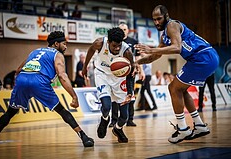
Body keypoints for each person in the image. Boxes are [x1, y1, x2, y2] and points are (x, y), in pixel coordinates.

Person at [0, 31, 94, 148]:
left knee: (10, 112)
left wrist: (21, 84)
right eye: (64, 44)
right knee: (61, 110)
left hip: (22, 79)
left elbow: (19, 70)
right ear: (56, 44)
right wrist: (74, 96)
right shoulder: (57, 54)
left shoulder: (34, 52)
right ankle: (84, 137)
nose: (65, 47)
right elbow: (62, 76)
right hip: (39, 82)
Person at [134, 5, 219, 144]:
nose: (156, 22)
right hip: (204, 58)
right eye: (154, 20)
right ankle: (199, 125)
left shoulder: (172, 25)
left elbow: (177, 47)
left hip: (203, 56)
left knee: (173, 88)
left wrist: (151, 49)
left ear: (166, 16)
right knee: (180, 89)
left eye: (159, 19)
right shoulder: (164, 36)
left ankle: (183, 128)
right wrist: (137, 62)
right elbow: (155, 56)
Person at [82, 27, 135, 143]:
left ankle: (118, 129)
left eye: (119, 46)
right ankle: (105, 119)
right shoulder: (99, 43)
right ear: (109, 42)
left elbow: (131, 73)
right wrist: (85, 66)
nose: (117, 49)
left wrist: (130, 92)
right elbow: (91, 50)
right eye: (114, 46)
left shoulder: (126, 52)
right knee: (106, 106)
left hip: (120, 79)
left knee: (124, 117)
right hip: (102, 74)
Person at [109, 23, 144, 127]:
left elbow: (137, 58)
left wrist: (141, 71)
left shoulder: (133, 42)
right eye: (121, 29)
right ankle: (114, 120)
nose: (123, 31)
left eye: (125, 29)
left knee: (130, 95)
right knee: (114, 97)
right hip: (116, 73)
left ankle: (130, 119)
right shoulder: (114, 41)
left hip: (129, 72)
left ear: (128, 30)